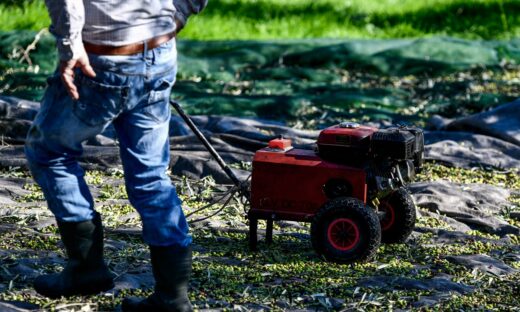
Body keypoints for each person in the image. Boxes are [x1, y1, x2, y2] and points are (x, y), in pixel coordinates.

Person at [24, 0, 208, 311]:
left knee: (49, 152)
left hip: (102, 59)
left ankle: (86, 269)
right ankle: (173, 296)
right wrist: (178, 14)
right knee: (150, 176)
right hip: (159, 52)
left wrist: (70, 45)